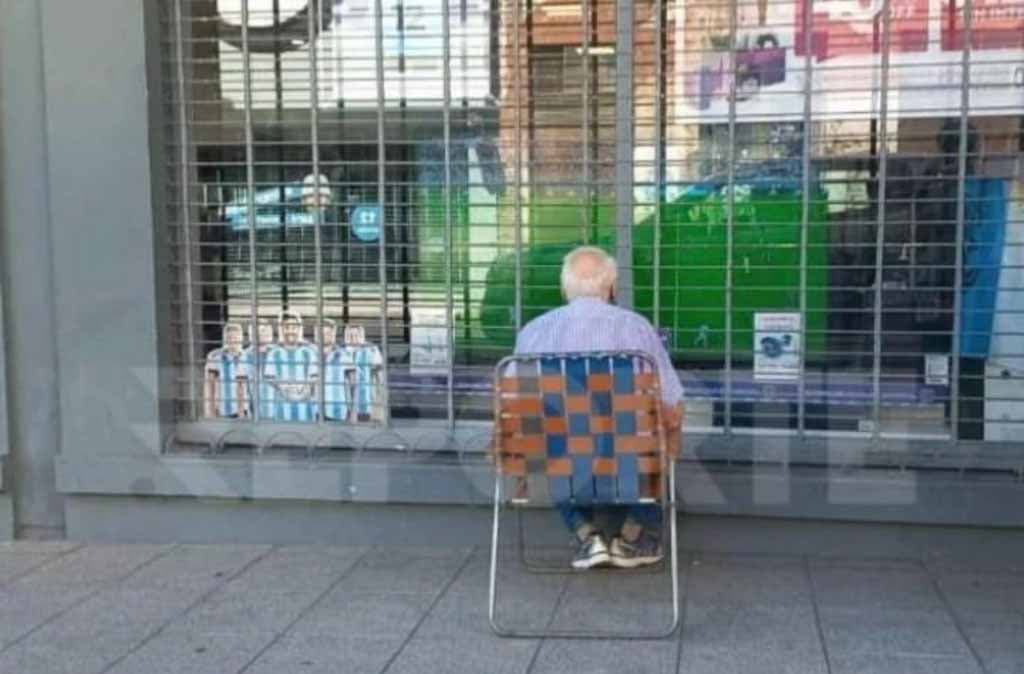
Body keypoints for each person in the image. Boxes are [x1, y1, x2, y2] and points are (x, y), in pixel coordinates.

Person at [514, 246, 684, 570]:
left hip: (560, 460)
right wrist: (670, 441)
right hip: (628, 458)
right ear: (612, 287)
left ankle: (585, 534)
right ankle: (635, 534)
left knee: (544, 436)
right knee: (659, 431)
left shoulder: (533, 332)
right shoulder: (636, 328)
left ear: (565, 288)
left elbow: (516, 410)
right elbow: (671, 404)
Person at [263, 311, 319, 421]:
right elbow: (270, 378)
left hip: (306, 412)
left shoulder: (308, 352)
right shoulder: (274, 353)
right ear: (281, 329)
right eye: (287, 327)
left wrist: (303, 394)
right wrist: (285, 390)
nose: (290, 331)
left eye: (294, 327)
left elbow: (314, 378)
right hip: (281, 412)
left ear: (299, 329)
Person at [203, 322, 248, 418]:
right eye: (230, 337)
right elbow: (211, 386)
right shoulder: (216, 357)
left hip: (244, 411)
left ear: (241, 338)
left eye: (236, 337)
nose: (233, 341)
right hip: (222, 411)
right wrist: (211, 411)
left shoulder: (247, 357)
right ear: (225, 339)